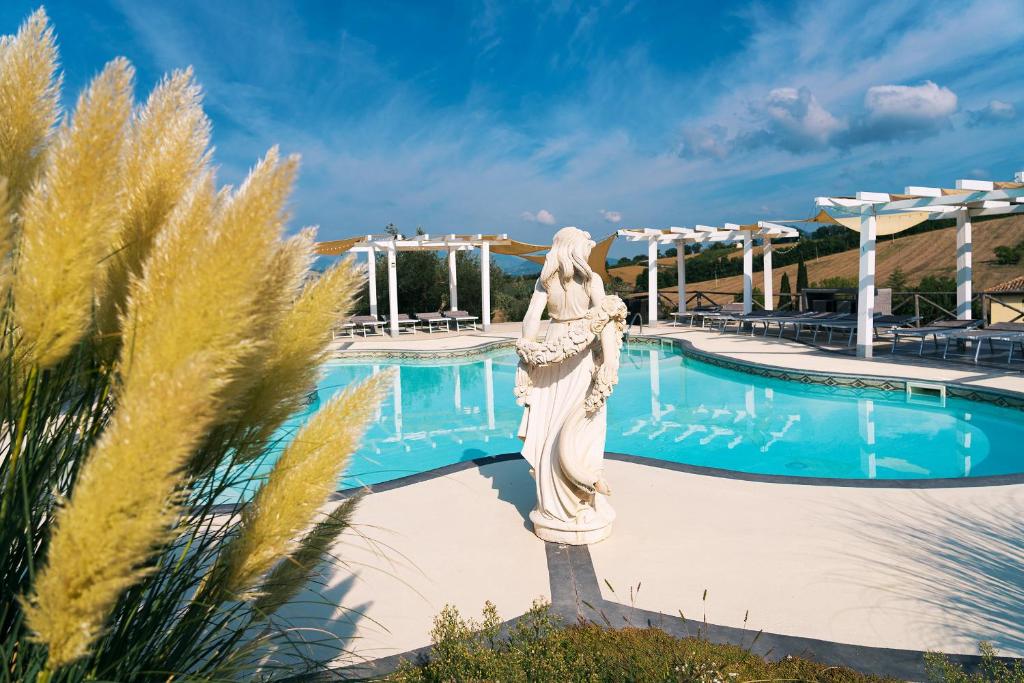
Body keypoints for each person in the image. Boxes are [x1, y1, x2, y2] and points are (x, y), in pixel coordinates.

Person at [515, 226, 626, 544]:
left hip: (551, 350)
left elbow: (530, 321)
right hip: (578, 356)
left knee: (550, 424)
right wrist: (609, 360)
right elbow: (604, 319)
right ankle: (577, 500)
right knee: (582, 426)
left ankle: (553, 504)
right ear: (577, 249)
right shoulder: (592, 280)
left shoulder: (545, 280)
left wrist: (528, 353)